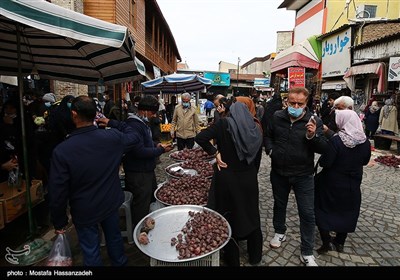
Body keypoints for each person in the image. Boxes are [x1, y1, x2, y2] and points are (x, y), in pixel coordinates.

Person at [48, 96, 140, 266]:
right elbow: (134, 136)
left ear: (74, 114)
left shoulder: (62, 150)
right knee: (115, 241)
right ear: (96, 114)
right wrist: (112, 122)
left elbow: (57, 191)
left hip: (84, 209)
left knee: (91, 251)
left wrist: (59, 221)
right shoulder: (112, 137)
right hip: (111, 202)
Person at [264, 87, 328, 267]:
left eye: (300, 103)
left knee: (307, 213)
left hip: (304, 175)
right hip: (279, 172)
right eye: (292, 102)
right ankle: (279, 231)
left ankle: (307, 251)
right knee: (279, 204)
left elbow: (324, 148)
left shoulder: (314, 120)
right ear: (286, 101)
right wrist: (270, 150)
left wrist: (312, 136)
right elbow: (267, 136)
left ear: (306, 103)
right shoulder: (277, 116)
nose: (295, 106)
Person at [195, 101, 263, 266]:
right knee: (252, 213)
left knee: (229, 215)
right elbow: (258, 158)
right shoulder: (255, 128)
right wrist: (251, 172)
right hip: (248, 177)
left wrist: (215, 152)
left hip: (227, 177)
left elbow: (200, 137)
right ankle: (255, 257)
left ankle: (233, 260)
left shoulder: (224, 123)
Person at [106, 95, 174, 226]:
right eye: (153, 113)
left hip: (145, 170)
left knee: (147, 199)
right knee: (141, 202)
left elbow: (144, 143)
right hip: (138, 172)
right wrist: (160, 151)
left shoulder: (141, 123)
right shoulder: (134, 125)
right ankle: (140, 231)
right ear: (144, 111)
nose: (154, 116)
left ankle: (144, 224)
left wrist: (156, 145)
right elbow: (139, 151)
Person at [315, 110, 371, 254]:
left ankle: (326, 241)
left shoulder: (337, 140)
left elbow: (326, 163)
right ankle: (340, 242)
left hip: (331, 183)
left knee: (322, 209)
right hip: (352, 183)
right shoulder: (364, 141)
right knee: (347, 211)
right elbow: (365, 161)